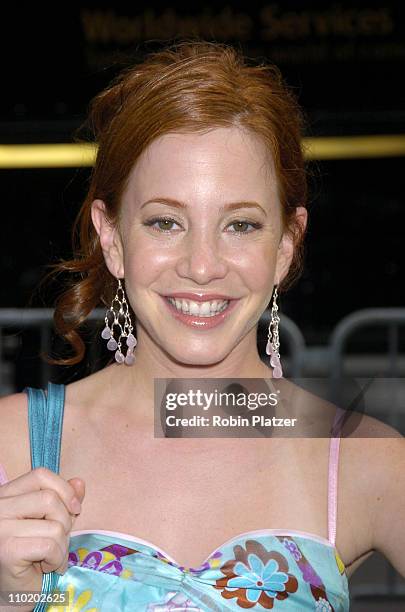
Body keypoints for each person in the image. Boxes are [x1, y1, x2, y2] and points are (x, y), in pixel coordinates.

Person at [0, 39, 404, 612]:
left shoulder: (362, 462)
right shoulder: (11, 451)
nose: (202, 266)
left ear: (286, 246)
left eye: (240, 225)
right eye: (165, 222)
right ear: (112, 237)